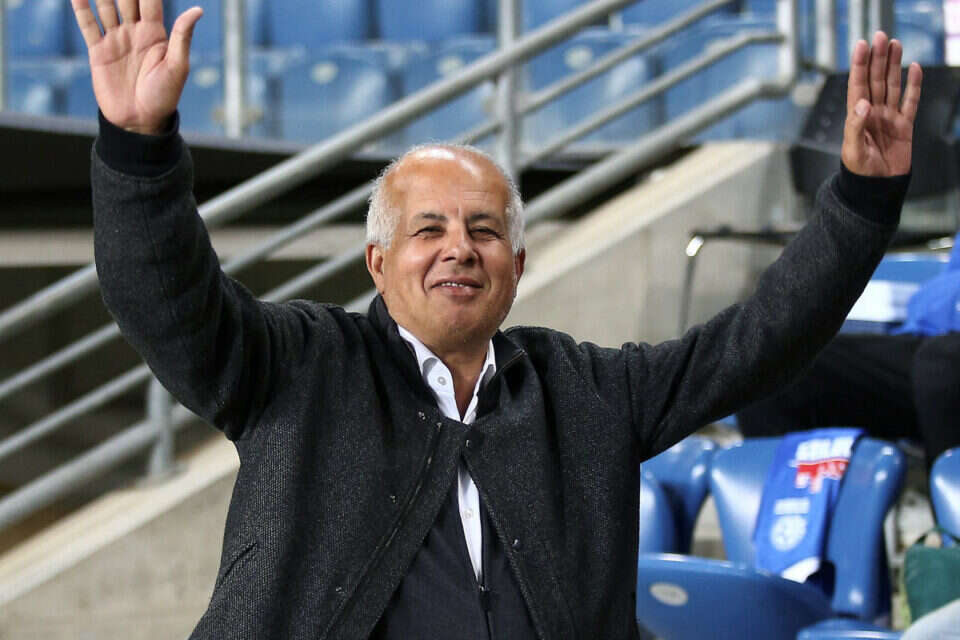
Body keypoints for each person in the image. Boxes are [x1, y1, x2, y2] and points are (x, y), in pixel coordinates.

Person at [72, 1, 923, 637]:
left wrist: (861, 202)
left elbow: (758, 343)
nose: (460, 249)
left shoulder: (586, 391)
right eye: (428, 230)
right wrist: (139, 149)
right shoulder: (300, 364)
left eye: (484, 230)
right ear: (377, 262)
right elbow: (165, 299)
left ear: (518, 267)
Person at [737, 233, 960, 466]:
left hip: (942, 359)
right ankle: (780, 486)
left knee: (940, 365)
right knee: (773, 365)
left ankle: (948, 484)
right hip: (927, 342)